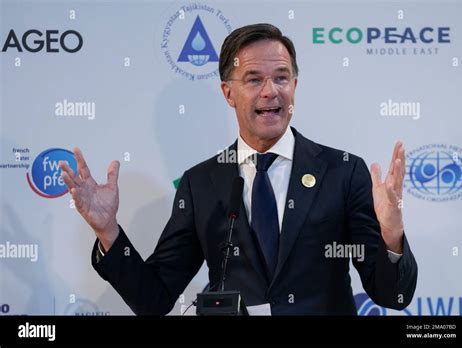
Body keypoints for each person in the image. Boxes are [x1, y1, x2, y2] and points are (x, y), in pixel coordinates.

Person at [60, 23, 417, 315]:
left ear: (295, 85)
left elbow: (392, 297)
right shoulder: (201, 183)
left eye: (281, 77)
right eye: (253, 79)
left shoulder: (343, 172)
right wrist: (108, 232)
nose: (270, 92)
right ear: (228, 93)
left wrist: (391, 236)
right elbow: (154, 298)